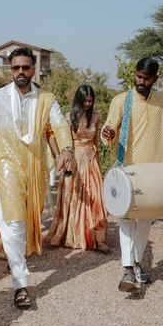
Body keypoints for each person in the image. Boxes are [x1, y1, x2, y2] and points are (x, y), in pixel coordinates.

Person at [0, 47, 74, 308]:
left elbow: (60, 125)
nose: (20, 72)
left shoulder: (46, 99)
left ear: (34, 69)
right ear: (10, 69)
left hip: (36, 169)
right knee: (14, 223)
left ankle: (16, 259)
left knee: (26, 222)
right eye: (15, 68)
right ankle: (21, 283)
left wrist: (67, 150)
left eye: (25, 68)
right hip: (6, 167)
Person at [101, 57, 163, 293]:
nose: (141, 82)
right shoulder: (122, 101)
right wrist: (107, 132)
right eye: (138, 77)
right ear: (135, 74)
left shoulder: (162, 101)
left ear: (155, 79)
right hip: (128, 171)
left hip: (154, 172)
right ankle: (128, 269)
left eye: (147, 78)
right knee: (126, 219)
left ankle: (138, 264)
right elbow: (108, 133)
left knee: (145, 221)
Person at [47, 85, 109, 252]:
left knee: (96, 198)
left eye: (90, 100)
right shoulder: (67, 118)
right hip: (73, 161)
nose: (88, 103)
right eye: (85, 100)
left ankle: (98, 238)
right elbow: (53, 136)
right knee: (72, 197)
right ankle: (71, 234)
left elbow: (95, 140)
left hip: (91, 161)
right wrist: (59, 156)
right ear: (78, 100)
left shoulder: (96, 117)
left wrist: (97, 161)